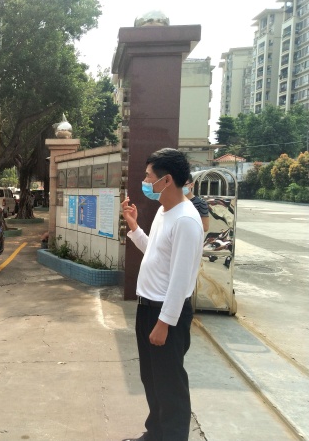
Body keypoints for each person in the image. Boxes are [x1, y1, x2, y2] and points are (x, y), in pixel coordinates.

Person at [121, 148, 204, 441]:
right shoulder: (164, 211)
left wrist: (164, 322)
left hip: (165, 313)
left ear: (166, 180)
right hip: (148, 308)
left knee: (170, 384)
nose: (145, 182)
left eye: (148, 177)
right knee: (152, 378)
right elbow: (156, 254)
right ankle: (155, 433)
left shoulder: (186, 220)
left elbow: (181, 279)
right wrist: (134, 228)